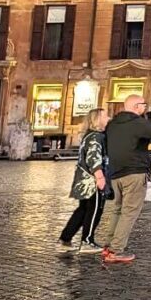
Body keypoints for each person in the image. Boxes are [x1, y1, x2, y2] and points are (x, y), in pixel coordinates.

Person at [95, 94, 151, 263]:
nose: (145, 108)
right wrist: (146, 122)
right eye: (144, 105)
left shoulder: (112, 124)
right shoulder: (138, 123)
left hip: (115, 173)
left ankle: (108, 246)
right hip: (134, 172)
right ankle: (116, 250)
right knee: (129, 213)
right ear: (136, 106)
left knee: (117, 209)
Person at [57, 108, 109, 254]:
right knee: (94, 211)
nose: (108, 118)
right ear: (98, 119)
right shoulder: (96, 137)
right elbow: (93, 157)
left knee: (82, 210)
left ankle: (65, 239)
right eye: (105, 115)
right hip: (91, 180)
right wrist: (100, 177)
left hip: (84, 179)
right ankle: (87, 240)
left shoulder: (89, 135)